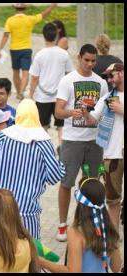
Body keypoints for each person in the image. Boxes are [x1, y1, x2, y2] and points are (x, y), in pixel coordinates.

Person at [0, 99, 66, 240]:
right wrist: (60, 164)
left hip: (0, 209)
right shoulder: (44, 141)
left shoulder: (2, 137)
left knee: (0, 252)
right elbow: (54, 177)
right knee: (28, 253)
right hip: (28, 211)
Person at [55, 44, 109, 242]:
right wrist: (73, 112)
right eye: (86, 60)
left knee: (91, 184)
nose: (90, 64)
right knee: (66, 183)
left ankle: (88, 223)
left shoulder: (100, 83)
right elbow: (58, 111)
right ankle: (62, 224)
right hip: (72, 140)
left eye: (93, 61)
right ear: (79, 58)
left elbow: (104, 112)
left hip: (94, 141)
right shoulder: (67, 80)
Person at [39, 177, 122, 273]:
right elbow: (117, 267)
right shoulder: (108, 228)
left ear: (80, 204)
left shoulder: (76, 232)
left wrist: (42, 262)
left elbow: (73, 271)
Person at [82, 63, 124, 231]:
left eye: (111, 75)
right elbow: (93, 120)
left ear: (121, 73)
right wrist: (85, 113)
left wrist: (122, 109)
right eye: (107, 76)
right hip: (112, 155)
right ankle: (114, 233)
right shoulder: (107, 99)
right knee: (112, 199)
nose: (109, 79)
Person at [0, 3, 57, 100]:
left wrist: (0, 49)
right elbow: (43, 14)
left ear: (15, 9)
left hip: (14, 49)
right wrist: (52, 6)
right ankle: (21, 91)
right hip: (26, 49)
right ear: (25, 9)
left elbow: (6, 35)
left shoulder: (10, 20)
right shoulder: (29, 19)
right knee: (25, 72)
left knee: (15, 71)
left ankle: (18, 91)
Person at [29, 22, 73, 149]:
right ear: (56, 36)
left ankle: (46, 148)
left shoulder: (39, 55)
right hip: (60, 96)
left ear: (43, 36)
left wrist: (31, 96)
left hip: (43, 97)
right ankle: (62, 147)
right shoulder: (64, 54)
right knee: (61, 125)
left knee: (43, 125)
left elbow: (34, 78)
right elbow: (69, 74)